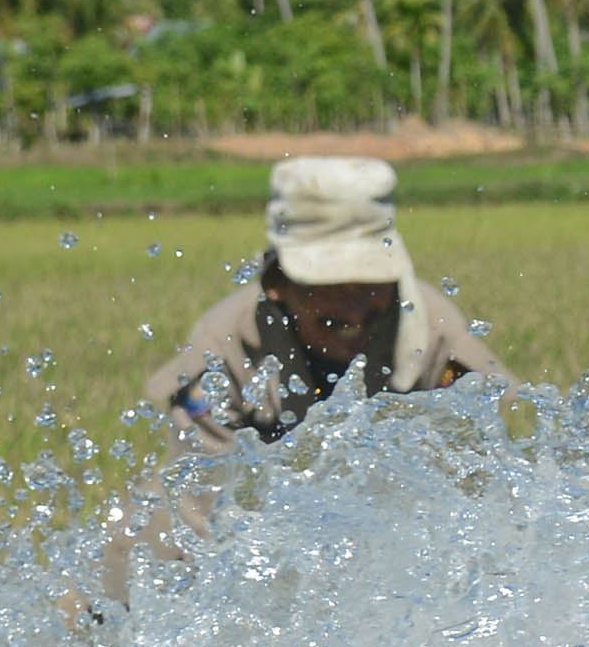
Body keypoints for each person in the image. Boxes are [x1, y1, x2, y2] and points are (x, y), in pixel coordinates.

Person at [137, 156, 506, 450]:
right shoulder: (223, 351)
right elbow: (202, 507)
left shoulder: (435, 334)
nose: (353, 311)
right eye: (330, 287)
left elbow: (480, 481)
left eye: (370, 283)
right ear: (277, 283)